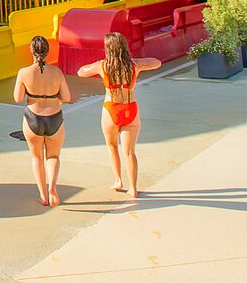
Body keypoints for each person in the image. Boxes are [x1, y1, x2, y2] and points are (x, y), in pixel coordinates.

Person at [77, 32, 161, 198]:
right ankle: (133, 188)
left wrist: (97, 64)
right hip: (130, 108)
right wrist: (139, 62)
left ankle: (118, 180)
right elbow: (157, 63)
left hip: (111, 109)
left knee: (112, 146)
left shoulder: (103, 66)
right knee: (130, 152)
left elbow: (81, 72)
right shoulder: (134, 65)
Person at [13, 35, 72, 207]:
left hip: (33, 118)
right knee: (53, 156)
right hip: (55, 118)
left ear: (31, 51)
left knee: (37, 158)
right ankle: (52, 187)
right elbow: (66, 97)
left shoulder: (24, 73)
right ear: (47, 52)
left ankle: (43, 195)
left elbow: (17, 98)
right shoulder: (57, 72)